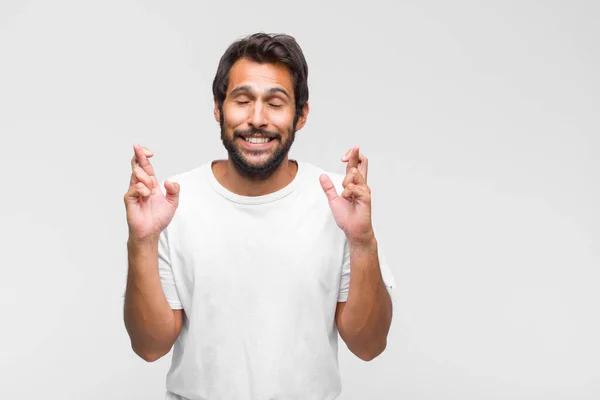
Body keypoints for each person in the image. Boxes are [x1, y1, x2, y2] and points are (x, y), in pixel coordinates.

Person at [123, 32, 396, 400]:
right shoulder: (172, 202)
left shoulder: (338, 202)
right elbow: (150, 346)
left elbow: (369, 345)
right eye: (242, 100)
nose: (257, 119)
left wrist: (363, 242)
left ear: (301, 115)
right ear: (218, 108)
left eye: (275, 103)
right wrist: (141, 241)